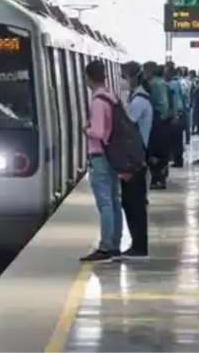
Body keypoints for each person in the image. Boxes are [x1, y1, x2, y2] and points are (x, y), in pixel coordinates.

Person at [80, 60, 122, 262]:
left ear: (88, 78)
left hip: (100, 156)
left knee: (104, 203)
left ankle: (105, 247)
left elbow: (96, 132)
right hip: (113, 155)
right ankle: (115, 243)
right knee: (114, 201)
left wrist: (85, 130)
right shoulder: (111, 96)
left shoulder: (97, 102)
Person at [120, 62, 153, 258]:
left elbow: (127, 127)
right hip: (138, 157)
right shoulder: (139, 98)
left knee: (134, 204)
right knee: (132, 203)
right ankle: (137, 244)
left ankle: (139, 246)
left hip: (135, 158)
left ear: (132, 78)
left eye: (123, 76)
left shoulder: (139, 101)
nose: (122, 81)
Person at [145, 62, 172, 189]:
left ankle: (157, 179)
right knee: (162, 152)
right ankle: (161, 177)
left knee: (154, 152)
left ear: (149, 71)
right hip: (164, 122)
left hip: (157, 121)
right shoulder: (163, 83)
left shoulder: (153, 84)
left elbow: (156, 104)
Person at [166, 63, 186, 167]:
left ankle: (178, 160)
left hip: (176, 113)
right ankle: (178, 159)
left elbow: (173, 99)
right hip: (181, 111)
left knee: (175, 139)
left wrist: (174, 114)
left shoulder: (172, 84)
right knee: (178, 138)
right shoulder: (179, 82)